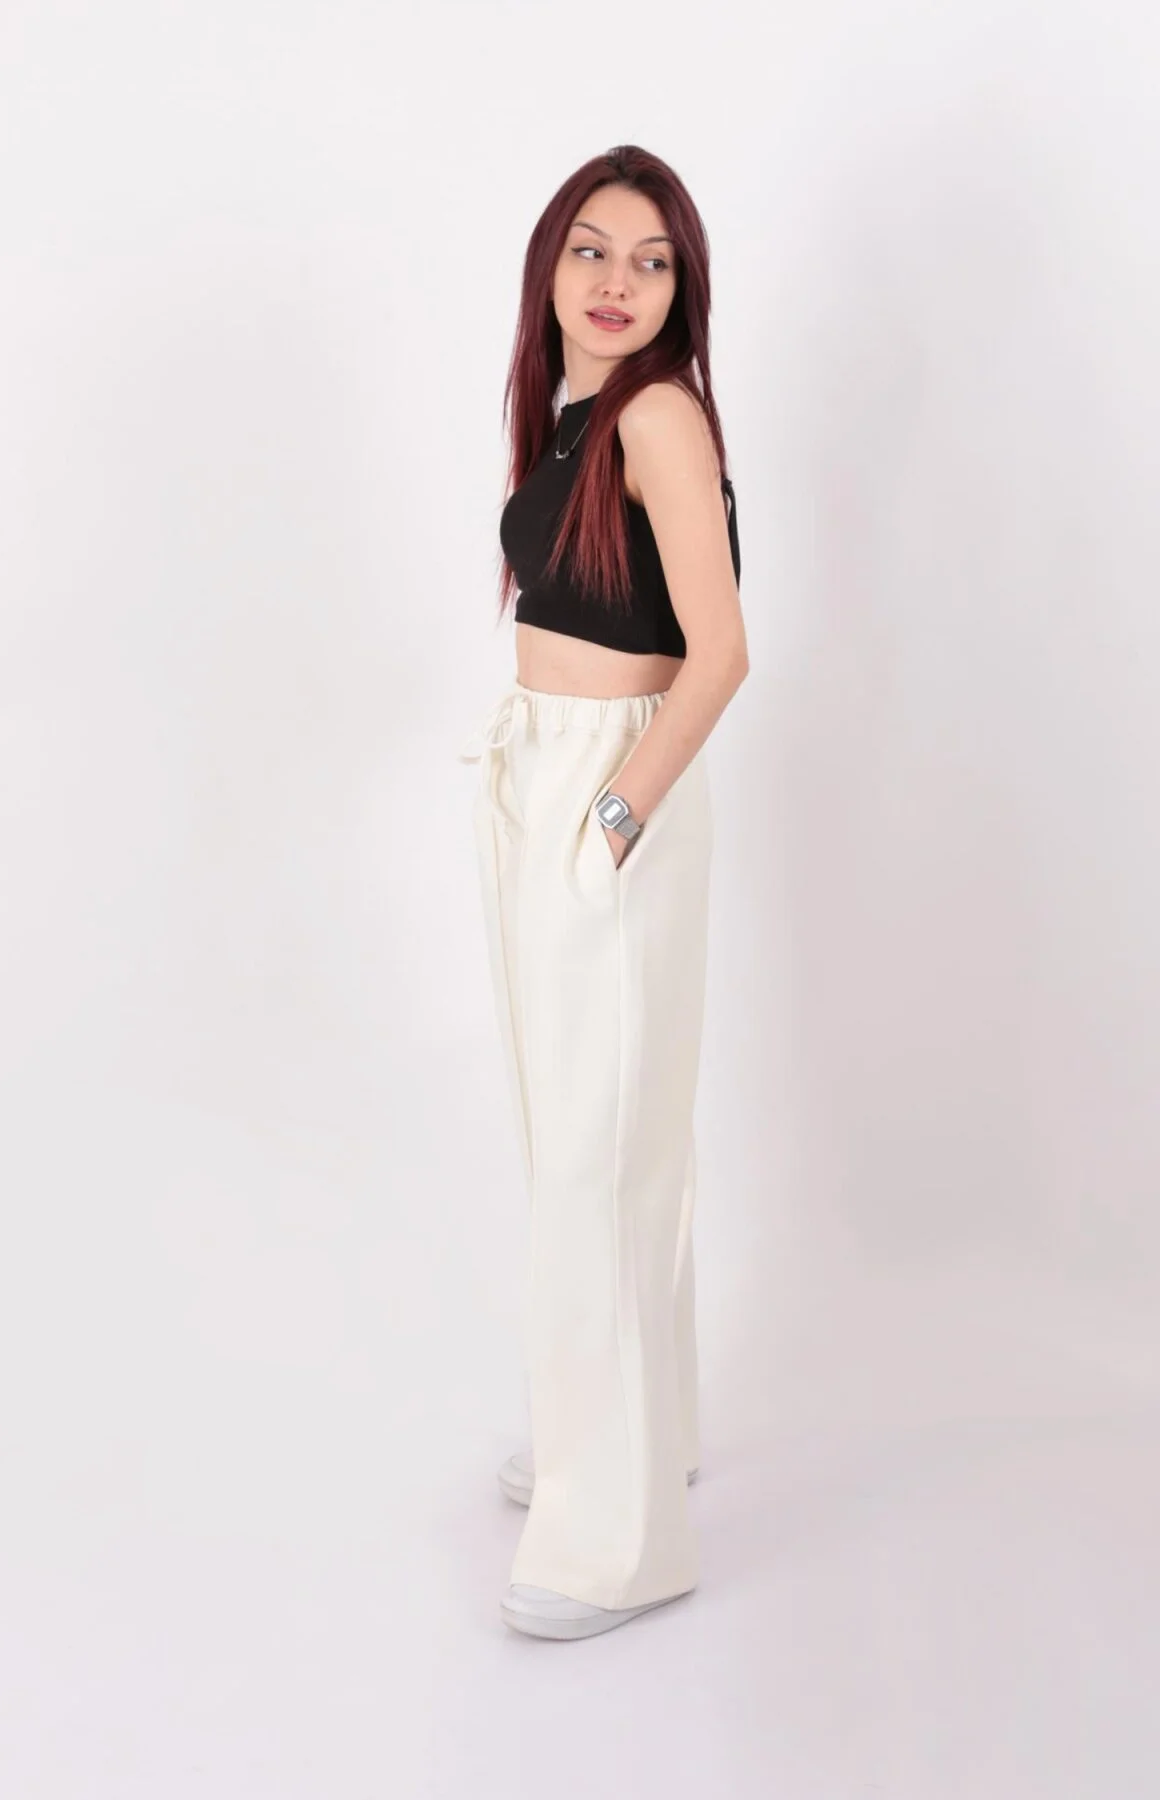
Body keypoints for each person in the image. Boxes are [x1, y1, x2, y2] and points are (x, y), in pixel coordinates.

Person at [457, 144, 749, 1641]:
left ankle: (616, 1541)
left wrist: (617, 816)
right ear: (550, 269)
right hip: (549, 771)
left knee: (600, 1153)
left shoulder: (659, 417)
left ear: (681, 287)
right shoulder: (575, 413)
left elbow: (722, 651)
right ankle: (626, 1441)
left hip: (612, 784)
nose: (618, 280)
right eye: (591, 248)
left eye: (651, 258)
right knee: (590, 1137)